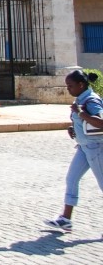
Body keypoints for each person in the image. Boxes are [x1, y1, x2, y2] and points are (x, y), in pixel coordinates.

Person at [44, 69, 103, 232]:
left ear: (81, 84)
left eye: (70, 86)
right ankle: (65, 219)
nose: (68, 89)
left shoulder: (91, 100)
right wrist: (74, 129)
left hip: (96, 147)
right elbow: (87, 123)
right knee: (71, 179)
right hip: (84, 147)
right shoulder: (81, 99)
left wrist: (81, 113)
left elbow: (101, 122)